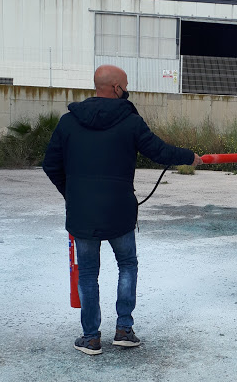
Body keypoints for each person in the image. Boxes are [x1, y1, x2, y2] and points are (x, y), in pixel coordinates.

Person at [43, 64, 202, 355]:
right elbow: (159, 151)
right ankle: (124, 330)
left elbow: (50, 164)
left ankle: (91, 337)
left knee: (88, 273)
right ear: (117, 88)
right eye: (126, 84)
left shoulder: (68, 122)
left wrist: (73, 193)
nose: (127, 89)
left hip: (82, 214)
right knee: (127, 265)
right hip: (119, 211)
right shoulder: (130, 121)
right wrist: (189, 157)